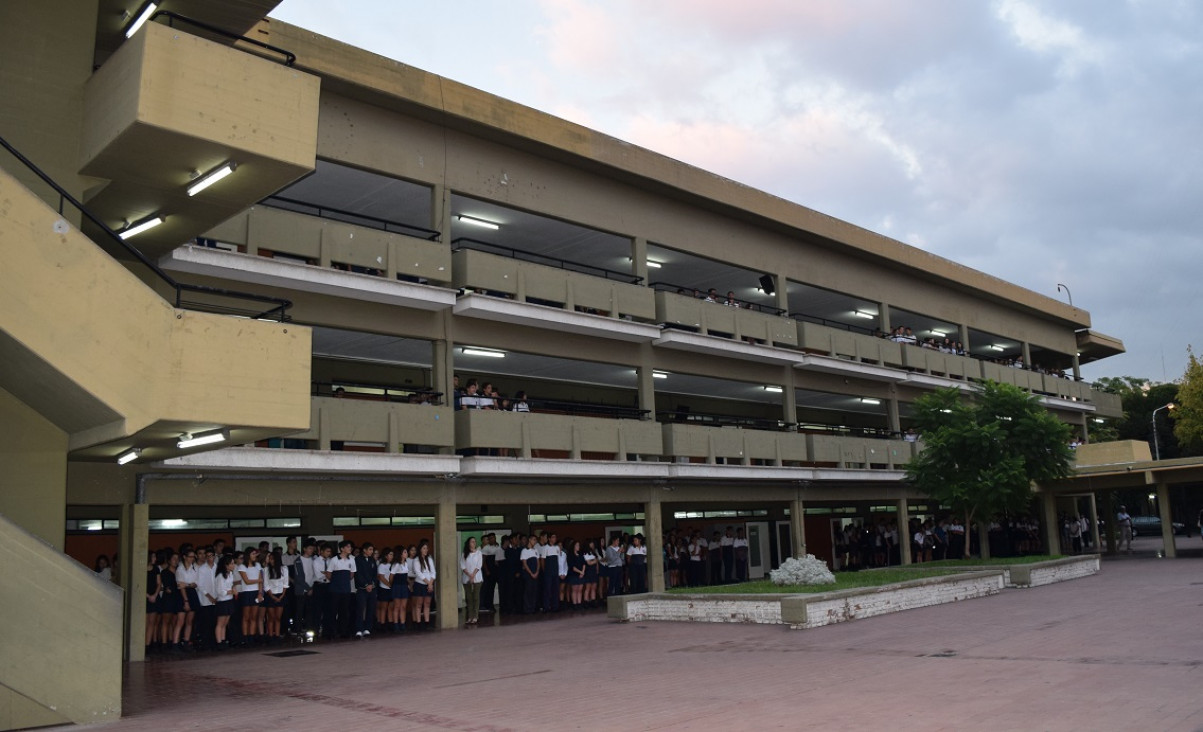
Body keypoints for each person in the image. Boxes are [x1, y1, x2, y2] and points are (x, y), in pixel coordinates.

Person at [174, 547, 200, 651]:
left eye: (193, 557)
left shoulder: (194, 568)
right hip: (183, 594)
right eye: (190, 557)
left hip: (192, 593)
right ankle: (175, 644)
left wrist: (187, 584)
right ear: (184, 557)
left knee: (189, 620)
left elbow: (195, 584)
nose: (192, 559)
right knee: (180, 621)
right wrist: (186, 601)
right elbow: (181, 586)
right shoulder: (180, 569)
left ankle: (186, 641)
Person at [262, 550, 289, 642]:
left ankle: (277, 635)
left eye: (272, 559)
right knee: (271, 617)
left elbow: (286, 583)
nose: (271, 561)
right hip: (270, 595)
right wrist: (272, 596)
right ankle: (270, 636)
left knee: (278, 617)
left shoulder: (284, 569)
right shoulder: (266, 569)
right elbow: (266, 585)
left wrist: (282, 596)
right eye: (270, 559)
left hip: (281, 594)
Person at [354, 542, 378, 638]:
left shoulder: (372, 560)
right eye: (370, 550)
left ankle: (368, 628)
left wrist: (372, 584)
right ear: (364, 550)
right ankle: (359, 629)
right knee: (360, 608)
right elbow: (358, 574)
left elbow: (375, 574)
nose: (371, 552)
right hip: (362, 588)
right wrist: (365, 584)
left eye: (372, 550)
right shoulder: (358, 560)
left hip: (372, 588)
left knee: (371, 608)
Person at [411, 540, 436, 629]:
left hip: (429, 584)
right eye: (424, 548)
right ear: (420, 549)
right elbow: (418, 573)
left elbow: (433, 572)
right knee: (419, 604)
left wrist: (430, 583)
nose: (426, 550)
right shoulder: (416, 560)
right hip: (420, 584)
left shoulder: (429, 559)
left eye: (427, 548)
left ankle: (427, 622)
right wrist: (428, 583)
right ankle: (418, 622)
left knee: (427, 603)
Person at [461, 537, 483, 625]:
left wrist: (473, 575)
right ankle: (470, 616)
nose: (474, 543)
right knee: (469, 598)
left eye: (474, 541)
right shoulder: (464, 554)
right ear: (468, 543)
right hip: (467, 578)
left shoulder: (478, 553)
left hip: (477, 578)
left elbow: (479, 565)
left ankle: (475, 616)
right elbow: (462, 566)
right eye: (472, 542)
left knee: (476, 597)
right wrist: (469, 575)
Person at [390, 546, 411, 632]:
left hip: (404, 586)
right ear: (400, 554)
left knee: (403, 606)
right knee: (397, 606)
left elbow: (406, 576)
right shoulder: (396, 565)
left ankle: (402, 623)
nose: (407, 554)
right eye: (405, 552)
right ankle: (395, 624)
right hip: (397, 586)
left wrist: (409, 584)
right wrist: (392, 585)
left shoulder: (406, 563)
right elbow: (391, 577)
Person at [520, 534, 540, 614]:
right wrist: (531, 573)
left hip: (536, 573)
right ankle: (527, 609)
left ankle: (533, 607)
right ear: (530, 540)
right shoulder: (524, 551)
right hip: (528, 574)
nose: (535, 542)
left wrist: (537, 572)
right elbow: (524, 564)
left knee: (534, 591)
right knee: (528, 591)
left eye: (536, 540)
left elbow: (538, 562)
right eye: (534, 540)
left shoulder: (536, 550)